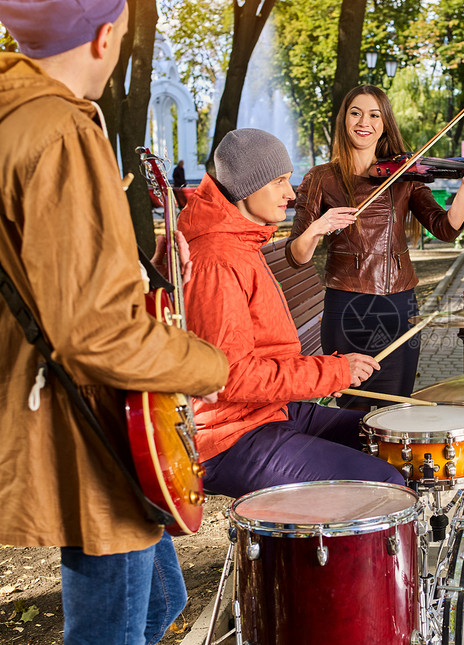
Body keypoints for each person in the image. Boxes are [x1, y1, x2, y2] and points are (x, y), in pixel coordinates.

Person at [0, 2, 230, 643]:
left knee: (158, 602)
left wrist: (136, 269)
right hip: (91, 420)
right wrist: (210, 366)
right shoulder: (60, 131)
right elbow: (95, 334)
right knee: (113, 625)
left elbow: (50, 268)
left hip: (70, 405)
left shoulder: (16, 113)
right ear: (104, 37)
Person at [177, 128, 404, 498]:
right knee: (385, 485)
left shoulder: (240, 241)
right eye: (279, 181)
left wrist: (334, 371)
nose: (291, 192)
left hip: (269, 411)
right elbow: (230, 377)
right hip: (230, 435)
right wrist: (334, 371)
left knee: (392, 437)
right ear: (248, 187)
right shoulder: (216, 261)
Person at [286, 84, 464, 409]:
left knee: (396, 410)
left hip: (398, 306)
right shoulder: (320, 178)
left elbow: (445, 229)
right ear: (344, 120)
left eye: (373, 114)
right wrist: (319, 227)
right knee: (353, 412)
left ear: (384, 125)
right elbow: (297, 256)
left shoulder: (404, 175)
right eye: (355, 113)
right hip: (346, 309)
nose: (363, 122)